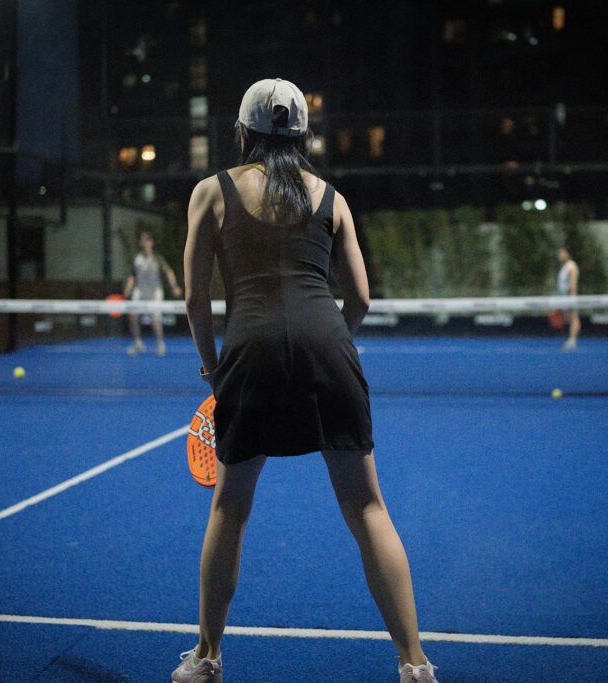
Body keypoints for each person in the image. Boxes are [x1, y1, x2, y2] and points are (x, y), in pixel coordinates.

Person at [176, 78, 438, 683]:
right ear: (302, 135)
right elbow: (362, 297)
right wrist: (331, 341)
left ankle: (207, 658)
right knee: (368, 506)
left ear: (242, 133)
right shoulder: (332, 196)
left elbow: (194, 298)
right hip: (330, 351)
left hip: (251, 351)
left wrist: (215, 370)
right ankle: (415, 664)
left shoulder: (210, 194)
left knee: (231, 507)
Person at [123, 231, 182, 356]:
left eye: (148, 240)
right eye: (143, 240)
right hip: (140, 291)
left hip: (155, 292)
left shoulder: (157, 258)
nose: (145, 242)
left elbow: (169, 272)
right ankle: (138, 343)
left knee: (155, 319)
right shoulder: (137, 258)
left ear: (152, 243)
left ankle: (160, 344)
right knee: (132, 316)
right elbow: (132, 276)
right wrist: (128, 288)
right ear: (141, 242)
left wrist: (174, 287)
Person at [556, 246, 581, 350]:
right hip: (564, 298)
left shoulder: (571, 266)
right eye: (559, 254)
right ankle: (571, 339)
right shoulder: (564, 267)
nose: (560, 256)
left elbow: (573, 283)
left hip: (570, 297)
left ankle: (572, 341)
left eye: (562, 253)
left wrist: (573, 297)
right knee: (569, 318)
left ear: (567, 253)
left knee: (574, 317)